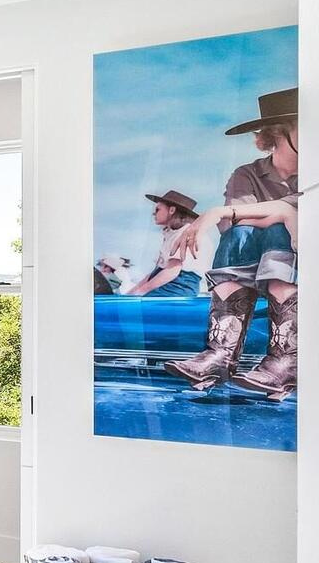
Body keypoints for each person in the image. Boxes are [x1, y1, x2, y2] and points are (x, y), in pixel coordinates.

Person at [165, 87, 299, 399]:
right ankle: (220, 354)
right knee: (238, 234)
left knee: (277, 231)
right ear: (281, 132)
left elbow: (299, 211)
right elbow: (233, 224)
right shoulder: (247, 173)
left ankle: (285, 359)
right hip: (259, 265)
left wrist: (219, 211)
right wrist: (279, 212)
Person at [123, 190, 204, 296]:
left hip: (179, 286)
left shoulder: (184, 233)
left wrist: (140, 292)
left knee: (135, 308)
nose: (153, 213)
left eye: (157, 209)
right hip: (167, 281)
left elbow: (172, 270)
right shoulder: (171, 234)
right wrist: (131, 293)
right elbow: (156, 272)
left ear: (172, 210)